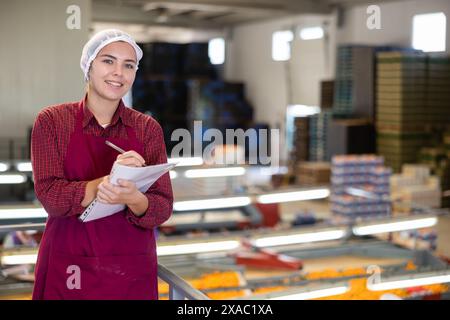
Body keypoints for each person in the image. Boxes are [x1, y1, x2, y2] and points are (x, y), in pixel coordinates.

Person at [30, 29, 173, 300]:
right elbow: (51, 197)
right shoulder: (52, 121)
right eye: (108, 61)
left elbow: (162, 207)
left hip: (129, 267)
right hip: (70, 264)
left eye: (128, 65)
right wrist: (104, 185)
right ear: (89, 66)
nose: (119, 72)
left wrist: (134, 198)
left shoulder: (147, 129)